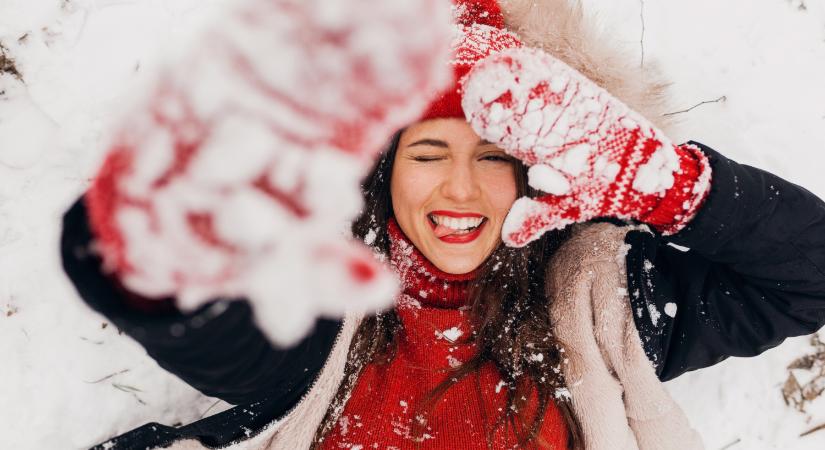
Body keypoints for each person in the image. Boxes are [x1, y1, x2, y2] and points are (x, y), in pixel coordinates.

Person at [61, 0, 825, 449]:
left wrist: (670, 183)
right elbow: (187, 307)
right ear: (381, 170)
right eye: (427, 151)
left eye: (494, 157)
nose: (460, 187)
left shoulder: (606, 306)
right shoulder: (324, 308)